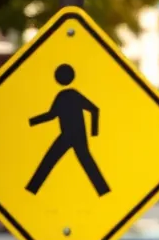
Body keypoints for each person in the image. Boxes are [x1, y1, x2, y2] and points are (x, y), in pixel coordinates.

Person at [26, 63, 111, 196]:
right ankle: (31, 189)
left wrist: (94, 132)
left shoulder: (71, 95)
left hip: (76, 136)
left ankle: (104, 191)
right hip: (67, 135)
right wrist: (32, 121)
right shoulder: (63, 96)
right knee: (51, 159)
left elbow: (94, 109)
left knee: (82, 162)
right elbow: (52, 115)